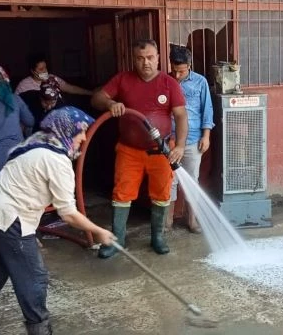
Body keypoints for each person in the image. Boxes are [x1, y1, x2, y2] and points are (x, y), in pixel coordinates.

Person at [0, 106, 115, 335]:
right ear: (66, 130)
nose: (84, 137)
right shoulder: (57, 161)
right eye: (80, 131)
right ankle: (39, 328)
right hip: (10, 217)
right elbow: (68, 213)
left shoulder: (40, 141)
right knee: (33, 276)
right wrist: (99, 231)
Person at [92, 39, 188, 259]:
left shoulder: (169, 83)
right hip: (129, 150)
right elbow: (97, 97)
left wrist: (180, 146)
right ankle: (117, 240)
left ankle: (158, 237)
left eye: (150, 57)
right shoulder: (123, 79)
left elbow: (181, 116)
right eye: (140, 58)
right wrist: (110, 104)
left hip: (161, 149)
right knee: (121, 194)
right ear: (134, 59)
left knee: (161, 194)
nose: (146, 62)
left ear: (158, 58)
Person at [167, 46, 214, 233]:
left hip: (193, 140)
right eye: (174, 70)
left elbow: (207, 109)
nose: (177, 76)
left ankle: (192, 221)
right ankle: (167, 222)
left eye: (182, 71)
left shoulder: (200, 82)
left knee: (191, 181)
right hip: (169, 140)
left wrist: (206, 135)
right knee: (169, 182)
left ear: (190, 65)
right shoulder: (165, 81)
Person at [14, 53, 93, 97]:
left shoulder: (52, 78)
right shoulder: (23, 85)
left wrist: (90, 93)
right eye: (41, 69)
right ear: (33, 71)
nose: (45, 71)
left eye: (45, 68)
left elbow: (71, 88)